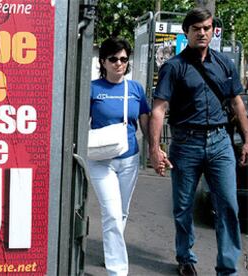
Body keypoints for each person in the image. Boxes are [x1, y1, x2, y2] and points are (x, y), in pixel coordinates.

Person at [149, 7, 248, 276]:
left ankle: (227, 268)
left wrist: (247, 140)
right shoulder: (174, 67)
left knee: (228, 204)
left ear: (212, 30)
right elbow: (159, 108)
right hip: (185, 144)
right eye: (196, 29)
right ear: (187, 32)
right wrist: (155, 148)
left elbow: (237, 103)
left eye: (207, 28)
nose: (202, 33)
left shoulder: (225, 64)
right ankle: (185, 257)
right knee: (183, 207)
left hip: (220, 143)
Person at [88, 37, 150, 276]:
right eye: (113, 59)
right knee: (112, 214)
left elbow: (144, 120)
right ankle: (117, 270)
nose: (118, 63)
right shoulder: (93, 88)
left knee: (121, 213)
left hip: (128, 159)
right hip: (101, 160)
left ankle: (112, 252)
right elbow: (81, 120)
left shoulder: (135, 89)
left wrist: (153, 151)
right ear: (103, 61)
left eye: (123, 59)